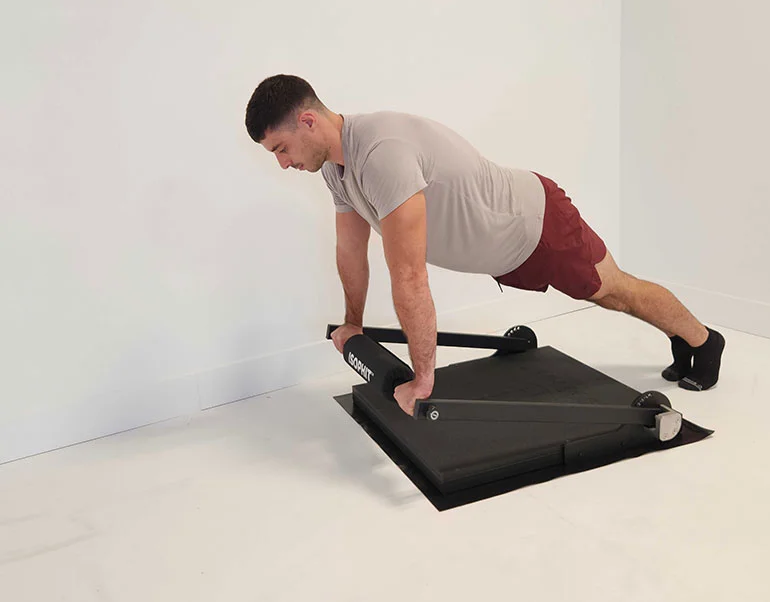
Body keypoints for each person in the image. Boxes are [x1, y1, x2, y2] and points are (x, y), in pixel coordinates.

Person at [245, 74, 725, 415]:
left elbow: (409, 273)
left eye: (281, 149)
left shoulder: (381, 153)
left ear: (308, 122)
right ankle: (685, 338)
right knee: (613, 293)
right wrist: (354, 323)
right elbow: (351, 252)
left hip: (536, 225)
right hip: (504, 251)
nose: (283, 164)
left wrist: (424, 379)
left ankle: (703, 341)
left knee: (614, 292)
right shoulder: (336, 171)